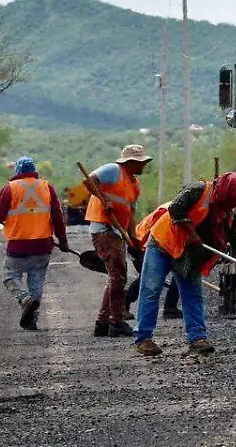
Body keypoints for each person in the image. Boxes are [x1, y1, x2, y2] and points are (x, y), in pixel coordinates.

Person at [132, 172, 236, 356]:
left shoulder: (229, 214)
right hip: (164, 244)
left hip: (190, 255)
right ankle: (144, 339)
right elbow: (176, 208)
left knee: (193, 295)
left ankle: (198, 338)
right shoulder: (198, 190)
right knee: (151, 290)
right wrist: (190, 232)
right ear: (227, 192)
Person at [0, 156, 69, 331]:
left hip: (18, 245)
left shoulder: (11, 187)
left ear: (17, 171)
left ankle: (24, 299)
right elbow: (57, 217)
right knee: (36, 281)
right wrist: (63, 241)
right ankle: (32, 319)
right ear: (34, 170)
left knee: (10, 277)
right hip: (42, 246)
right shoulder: (47, 187)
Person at [86, 144, 151, 338]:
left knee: (116, 276)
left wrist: (134, 240)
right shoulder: (113, 170)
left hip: (117, 232)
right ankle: (116, 320)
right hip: (104, 229)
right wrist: (102, 198)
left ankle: (103, 322)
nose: (143, 166)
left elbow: (130, 215)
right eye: (140, 162)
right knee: (118, 275)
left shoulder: (134, 184)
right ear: (130, 162)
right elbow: (88, 181)